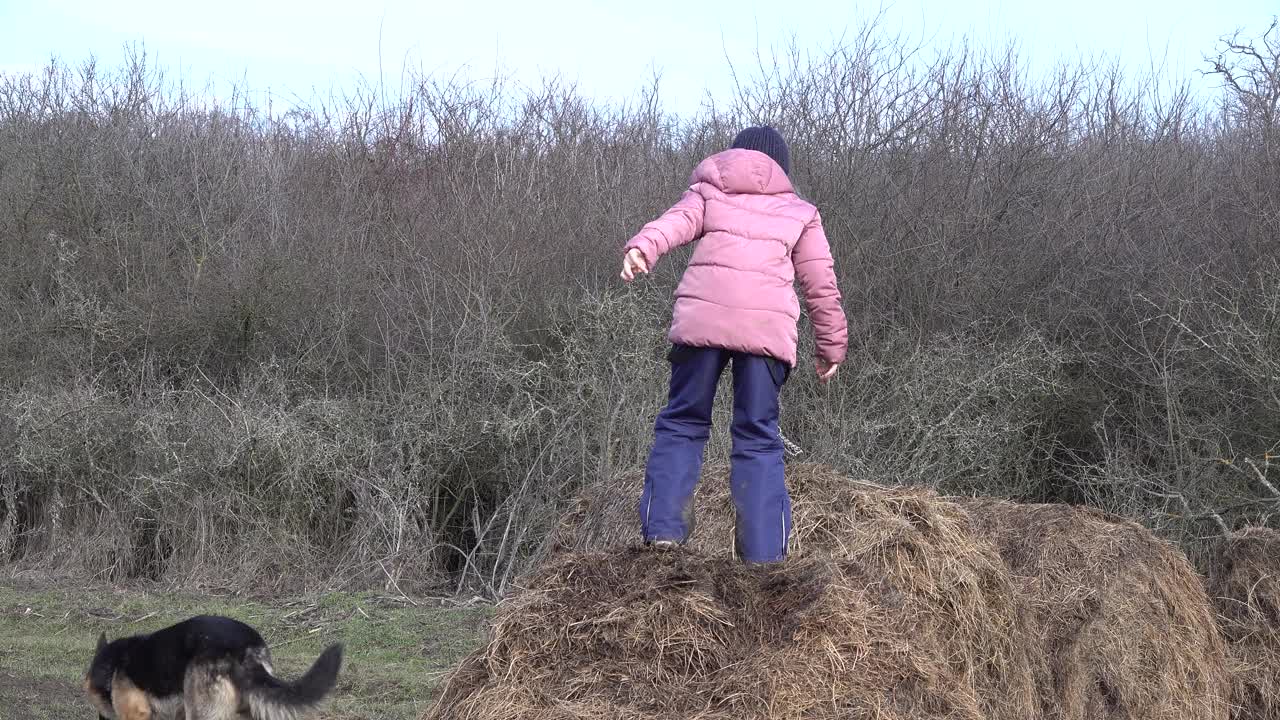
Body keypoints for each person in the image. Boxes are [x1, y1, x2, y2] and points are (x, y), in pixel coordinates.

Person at [620, 125, 848, 564]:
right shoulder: (799, 211)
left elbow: (673, 224)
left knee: (683, 423)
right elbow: (821, 282)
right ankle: (763, 558)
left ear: (734, 155)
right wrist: (831, 345)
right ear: (782, 166)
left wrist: (642, 248)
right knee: (758, 438)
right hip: (765, 331)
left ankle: (665, 533)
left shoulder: (709, 191)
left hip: (702, 320)